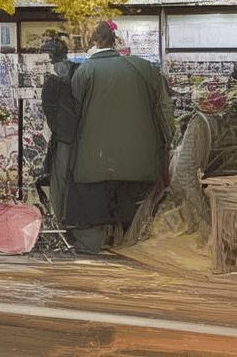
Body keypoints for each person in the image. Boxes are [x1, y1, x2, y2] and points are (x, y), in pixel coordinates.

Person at [67, 20, 174, 254]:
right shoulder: (145, 68)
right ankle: (130, 249)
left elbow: (72, 117)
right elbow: (166, 110)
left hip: (92, 163)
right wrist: (168, 143)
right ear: (114, 41)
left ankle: (94, 249)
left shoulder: (85, 71)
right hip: (141, 161)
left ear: (92, 43)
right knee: (134, 219)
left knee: (93, 218)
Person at [38, 32, 79, 224]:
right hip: (75, 134)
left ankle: (61, 218)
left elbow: (50, 110)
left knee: (60, 179)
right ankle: (66, 217)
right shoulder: (78, 71)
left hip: (64, 135)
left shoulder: (54, 80)